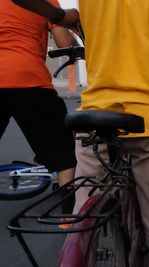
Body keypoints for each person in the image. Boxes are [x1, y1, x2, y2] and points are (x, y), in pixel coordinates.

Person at [11, 1, 149, 266]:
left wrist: (63, 17)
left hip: (95, 119)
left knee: (84, 216)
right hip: (148, 121)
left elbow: (59, 15)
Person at [0, 0, 78, 213]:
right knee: (63, 151)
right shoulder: (47, 3)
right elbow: (66, 44)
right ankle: (67, 219)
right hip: (27, 78)